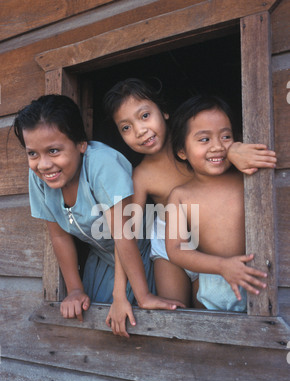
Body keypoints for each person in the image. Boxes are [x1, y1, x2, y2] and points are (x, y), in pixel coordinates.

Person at [103, 79, 276, 330]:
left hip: (209, 239)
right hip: (171, 242)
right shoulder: (142, 175)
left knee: (213, 311)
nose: (140, 130)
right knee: (178, 313)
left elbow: (216, 141)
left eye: (145, 116)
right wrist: (119, 295)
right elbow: (125, 234)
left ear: (164, 112)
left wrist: (235, 149)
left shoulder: (198, 139)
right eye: (126, 127)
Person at [13, 94, 183, 324]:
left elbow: (123, 235)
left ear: (81, 144)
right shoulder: (40, 178)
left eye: (53, 151)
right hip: (102, 258)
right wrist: (74, 289)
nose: (43, 164)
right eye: (33, 153)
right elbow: (59, 236)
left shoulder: (102, 163)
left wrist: (138, 296)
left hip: (142, 254)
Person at [165, 95, 269, 312]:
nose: (217, 147)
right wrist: (222, 267)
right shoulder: (180, 195)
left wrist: (236, 151)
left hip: (257, 275)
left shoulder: (248, 177)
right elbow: (175, 249)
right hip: (212, 279)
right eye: (204, 139)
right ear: (182, 151)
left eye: (226, 136)